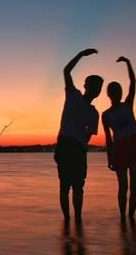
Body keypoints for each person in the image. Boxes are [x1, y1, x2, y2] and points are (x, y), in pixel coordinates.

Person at [54, 48, 103, 223]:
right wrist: (81, 55)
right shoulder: (73, 95)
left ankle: (78, 220)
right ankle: (67, 220)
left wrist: (80, 143)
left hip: (78, 149)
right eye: (93, 86)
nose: (96, 89)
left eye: (99, 88)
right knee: (65, 186)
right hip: (65, 145)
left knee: (79, 187)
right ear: (86, 86)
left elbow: (88, 136)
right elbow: (66, 71)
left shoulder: (93, 113)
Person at [102, 56, 136, 222]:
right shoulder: (106, 115)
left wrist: (128, 63)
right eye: (112, 91)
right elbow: (108, 139)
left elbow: (133, 83)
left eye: (118, 90)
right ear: (109, 94)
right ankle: (122, 219)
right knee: (123, 186)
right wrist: (109, 158)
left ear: (120, 92)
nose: (116, 93)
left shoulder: (128, 105)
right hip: (119, 149)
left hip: (134, 145)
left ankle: (131, 218)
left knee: (134, 186)